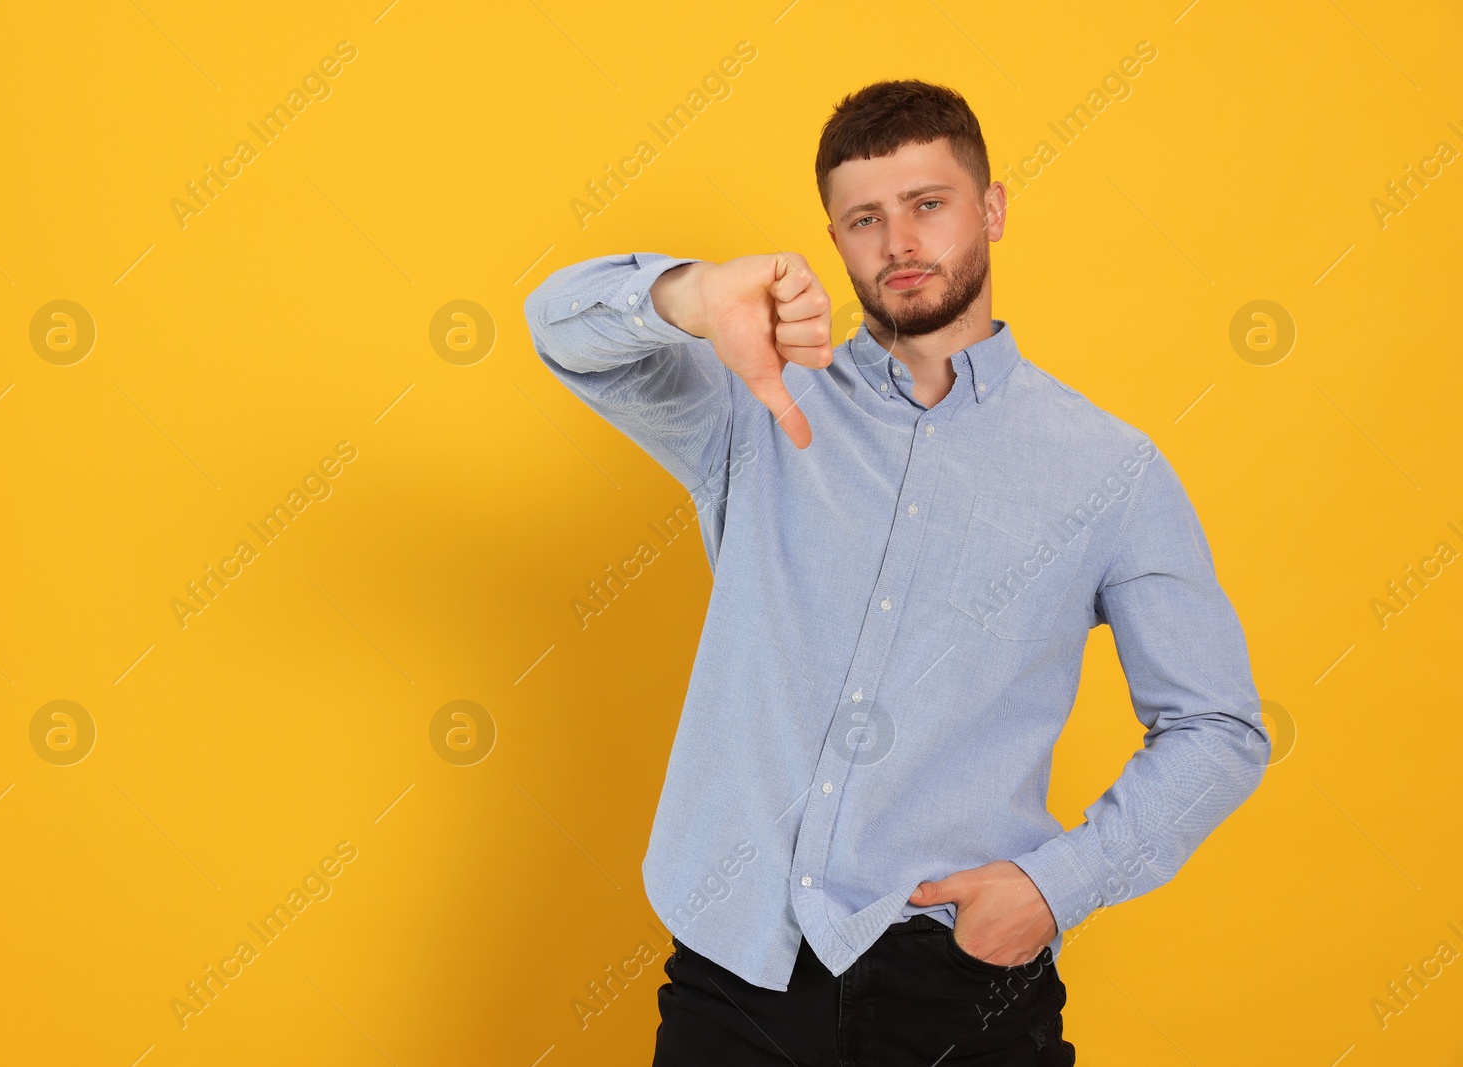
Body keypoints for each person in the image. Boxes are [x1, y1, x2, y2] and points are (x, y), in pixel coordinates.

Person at [523, 79, 1269, 1066]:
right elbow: (557, 323)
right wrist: (696, 295)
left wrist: (1055, 887)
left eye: (928, 203)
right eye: (863, 218)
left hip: (962, 988)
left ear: (992, 208)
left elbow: (1215, 725)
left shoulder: (1110, 471)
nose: (898, 242)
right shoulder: (755, 405)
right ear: (835, 239)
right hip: (734, 976)